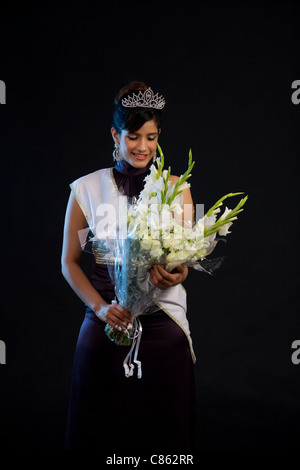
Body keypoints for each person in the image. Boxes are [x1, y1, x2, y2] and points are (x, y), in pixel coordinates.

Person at [61, 81, 197, 452]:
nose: (142, 147)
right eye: (133, 136)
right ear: (115, 135)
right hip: (107, 317)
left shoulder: (176, 187)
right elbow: (69, 262)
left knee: (163, 433)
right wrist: (101, 308)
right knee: (99, 429)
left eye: (151, 137)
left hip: (162, 320)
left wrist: (175, 273)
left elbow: (182, 263)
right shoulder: (87, 190)